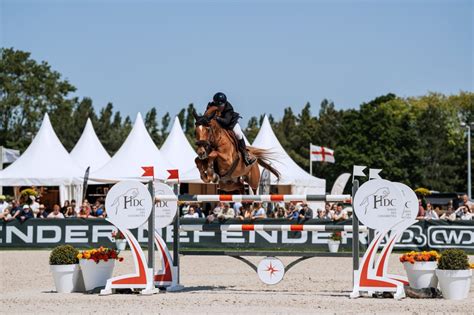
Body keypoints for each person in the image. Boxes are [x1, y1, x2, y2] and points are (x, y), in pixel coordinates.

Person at [206, 92, 255, 165]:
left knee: (238, 134)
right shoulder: (211, 105)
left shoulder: (229, 108)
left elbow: (226, 122)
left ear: (224, 103)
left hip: (231, 124)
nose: (219, 107)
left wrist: (216, 118)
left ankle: (245, 154)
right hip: (218, 125)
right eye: (217, 105)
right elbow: (206, 115)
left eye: (220, 105)